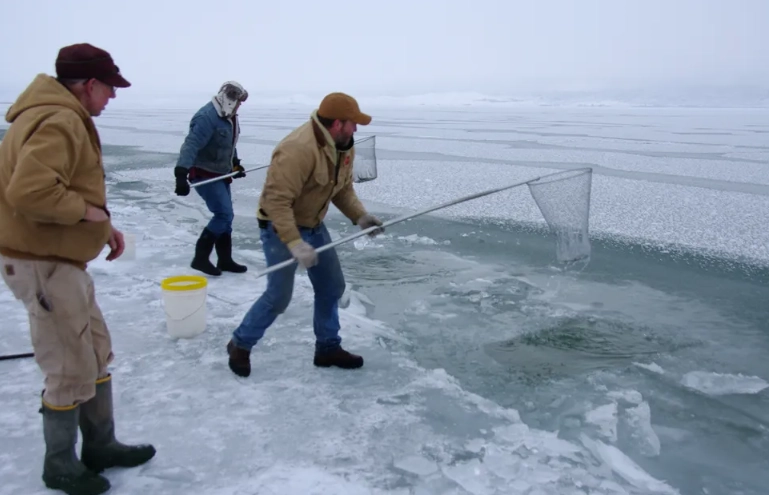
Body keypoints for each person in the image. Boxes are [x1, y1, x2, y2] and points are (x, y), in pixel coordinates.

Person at [0, 43, 156, 495]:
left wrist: (102, 225)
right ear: (89, 85)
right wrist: (89, 215)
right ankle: (60, 465)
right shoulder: (61, 119)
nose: (111, 98)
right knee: (68, 365)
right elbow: (30, 192)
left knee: (95, 350)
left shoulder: (56, 114)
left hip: (61, 260)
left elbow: (59, 186)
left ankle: (100, 445)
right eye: (109, 89)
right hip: (43, 264)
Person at [226, 92, 384, 378]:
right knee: (278, 297)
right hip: (279, 227)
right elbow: (276, 203)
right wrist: (295, 243)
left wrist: (360, 216)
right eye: (353, 123)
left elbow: (343, 189)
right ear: (337, 123)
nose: (356, 129)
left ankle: (327, 347)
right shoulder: (297, 150)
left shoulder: (343, 145)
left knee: (331, 287)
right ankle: (240, 343)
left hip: (313, 224)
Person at [173, 81, 249, 276]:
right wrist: (181, 173)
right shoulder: (207, 117)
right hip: (204, 172)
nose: (239, 106)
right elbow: (191, 144)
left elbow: (229, 144)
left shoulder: (229, 116)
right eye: (238, 102)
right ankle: (200, 258)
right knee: (223, 215)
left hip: (221, 173)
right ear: (229, 99)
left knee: (227, 217)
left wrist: (235, 164)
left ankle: (225, 260)